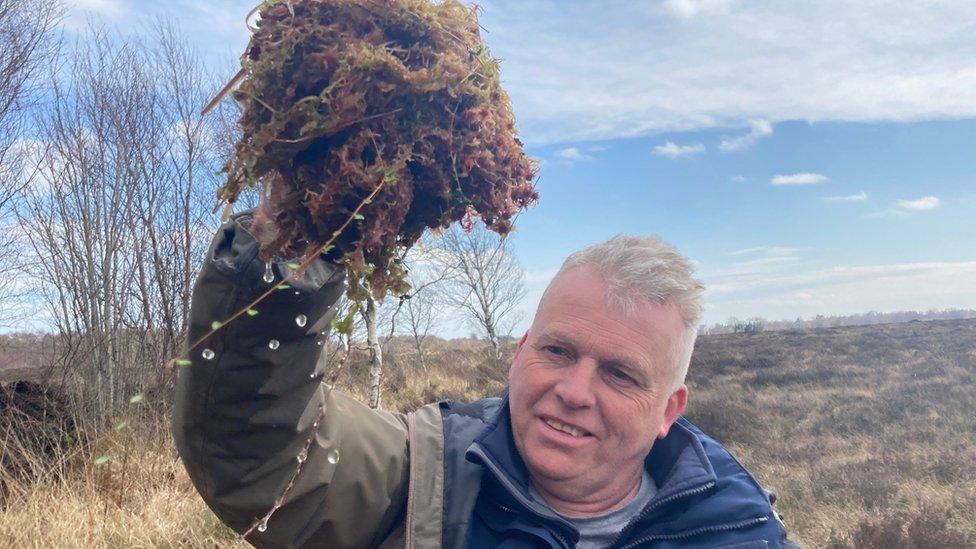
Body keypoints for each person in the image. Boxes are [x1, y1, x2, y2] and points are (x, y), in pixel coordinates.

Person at [173, 211, 796, 548]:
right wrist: (292, 242)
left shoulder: (736, 527)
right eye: (558, 350)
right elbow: (259, 449)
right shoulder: (423, 474)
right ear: (519, 354)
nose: (576, 392)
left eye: (621, 375)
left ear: (669, 409)